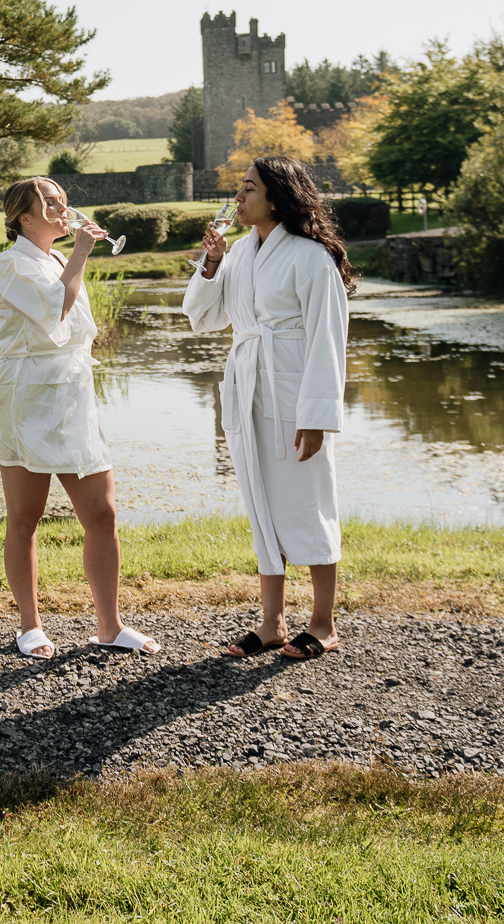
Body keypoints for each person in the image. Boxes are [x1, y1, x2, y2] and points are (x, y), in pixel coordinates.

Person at [182, 156, 355, 660]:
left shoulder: (310, 256)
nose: (238, 198)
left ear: (276, 197)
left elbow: (329, 339)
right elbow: (202, 318)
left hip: (292, 393)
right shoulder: (237, 254)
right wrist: (210, 264)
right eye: (239, 189)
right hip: (247, 388)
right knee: (261, 503)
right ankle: (271, 623)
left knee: (308, 500)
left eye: (248, 189)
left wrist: (318, 417)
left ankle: (323, 624)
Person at [0, 176, 158, 659]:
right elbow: (54, 310)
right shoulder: (8, 266)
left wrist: (75, 255)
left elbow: (78, 326)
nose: (64, 209)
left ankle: (110, 626)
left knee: (102, 512)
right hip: (26, 396)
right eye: (52, 203)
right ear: (24, 216)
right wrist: (83, 251)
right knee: (26, 515)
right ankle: (29, 626)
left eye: (65, 201)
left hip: (73, 395)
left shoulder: (57, 258)